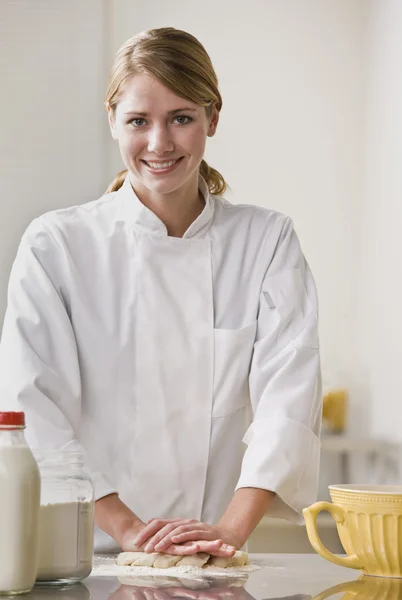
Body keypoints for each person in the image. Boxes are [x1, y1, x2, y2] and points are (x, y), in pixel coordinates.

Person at [0, 27, 322, 555]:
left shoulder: (266, 241)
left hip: (215, 556)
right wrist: (129, 530)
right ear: (112, 121)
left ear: (212, 118)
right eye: (138, 121)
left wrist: (230, 530)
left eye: (181, 118)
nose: (159, 143)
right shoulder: (56, 245)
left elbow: (289, 399)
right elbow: (33, 408)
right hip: (82, 555)